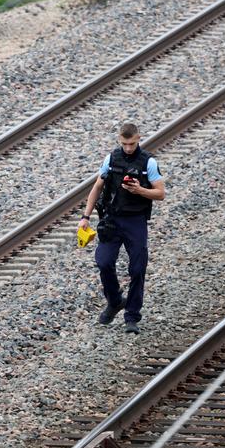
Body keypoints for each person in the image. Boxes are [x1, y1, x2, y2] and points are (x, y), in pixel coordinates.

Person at [77, 123, 165, 334]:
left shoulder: (148, 162)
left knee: (137, 269)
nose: (128, 148)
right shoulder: (111, 159)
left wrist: (140, 190)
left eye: (132, 143)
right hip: (112, 219)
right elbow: (97, 187)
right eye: (124, 144)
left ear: (138, 139)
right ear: (119, 140)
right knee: (104, 262)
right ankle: (115, 300)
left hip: (135, 221)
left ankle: (132, 317)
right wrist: (85, 217)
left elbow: (160, 193)